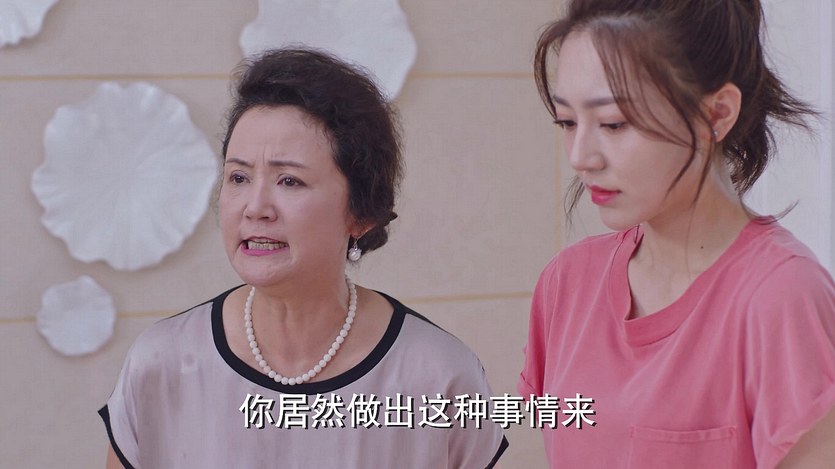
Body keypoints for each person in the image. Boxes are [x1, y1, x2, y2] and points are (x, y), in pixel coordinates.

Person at [100, 48, 507, 468]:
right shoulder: (160, 364)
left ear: (361, 213)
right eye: (238, 177)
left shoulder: (440, 376)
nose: (255, 207)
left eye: (289, 181)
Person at [518, 1, 835, 467]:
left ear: (717, 114)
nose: (580, 157)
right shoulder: (566, 282)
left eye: (613, 123)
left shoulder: (782, 296)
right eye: (568, 122)